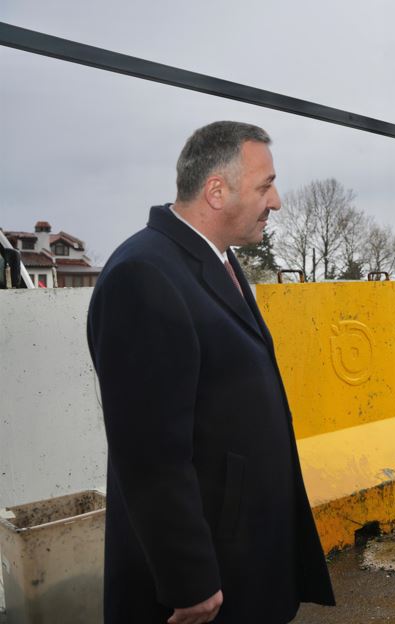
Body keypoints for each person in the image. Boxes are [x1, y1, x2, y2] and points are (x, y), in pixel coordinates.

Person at [87, 121, 335, 623]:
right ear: (216, 191)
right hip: (207, 574)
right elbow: (150, 453)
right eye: (266, 185)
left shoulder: (214, 259)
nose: (278, 200)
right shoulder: (145, 275)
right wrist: (189, 579)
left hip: (243, 548)